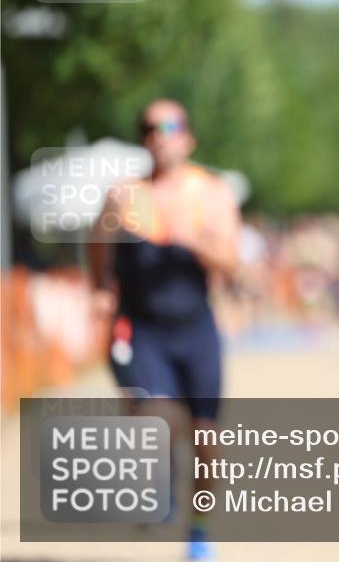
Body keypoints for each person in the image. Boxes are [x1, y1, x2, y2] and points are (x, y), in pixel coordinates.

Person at [88, 99, 240, 560]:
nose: (160, 134)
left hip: (196, 330)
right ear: (143, 139)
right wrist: (100, 287)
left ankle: (196, 531)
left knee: (206, 440)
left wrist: (188, 236)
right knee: (153, 418)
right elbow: (98, 243)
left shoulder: (211, 194)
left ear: (188, 137)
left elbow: (231, 265)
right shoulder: (125, 195)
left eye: (170, 125)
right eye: (150, 127)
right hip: (144, 329)